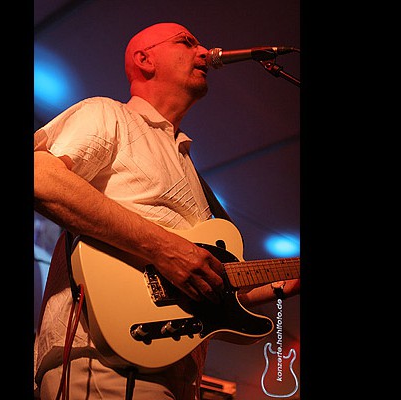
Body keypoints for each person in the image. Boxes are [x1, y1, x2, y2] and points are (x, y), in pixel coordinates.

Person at [33, 21, 300, 400]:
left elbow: (193, 277)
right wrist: (165, 249)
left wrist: (270, 287)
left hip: (174, 366)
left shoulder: (186, 162)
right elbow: (39, 176)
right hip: (101, 359)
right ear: (144, 60)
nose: (204, 50)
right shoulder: (107, 114)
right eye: (187, 42)